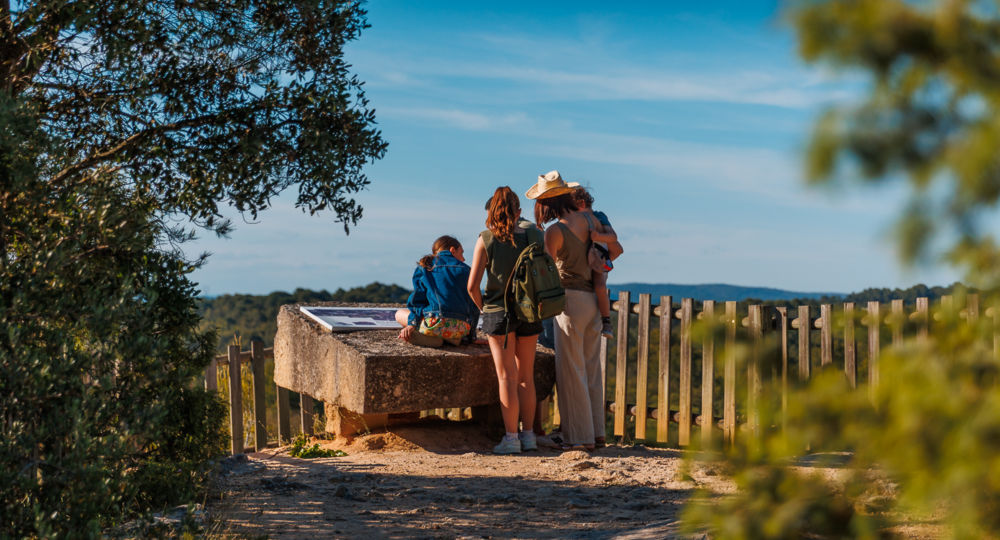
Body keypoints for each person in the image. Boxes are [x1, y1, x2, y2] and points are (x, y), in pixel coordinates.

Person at [528, 170, 605, 451]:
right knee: (592, 368)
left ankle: (578, 437)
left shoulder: (555, 231)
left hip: (569, 300)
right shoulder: (589, 220)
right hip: (593, 299)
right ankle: (597, 432)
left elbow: (547, 271)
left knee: (571, 370)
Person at [467, 186, 542, 454]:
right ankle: (529, 436)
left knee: (506, 377)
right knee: (526, 377)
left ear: (491, 211)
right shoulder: (534, 235)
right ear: (518, 211)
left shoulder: (485, 239)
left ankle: (511, 439)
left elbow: (472, 286)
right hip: (529, 310)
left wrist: (485, 309)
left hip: (499, 313)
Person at [395, 235, 480, 348]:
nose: (463, 259)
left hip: (434, 324)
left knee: (399, 314)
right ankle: (451, 338)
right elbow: (474, 305)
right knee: (451, 325)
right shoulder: (467, 269)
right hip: (460, 329)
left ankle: (433, 337)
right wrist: (471, 337)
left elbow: (417, 301)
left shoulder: (426, 266)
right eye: (462, 253)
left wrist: (412, 324)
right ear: (452, 250)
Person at [571, 187, 624, 339]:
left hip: (599, 254)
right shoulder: (579, 220)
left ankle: (606, 321)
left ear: (581, 204)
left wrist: (597, 236)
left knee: (599, 284)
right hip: (592, 257)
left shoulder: (599, 216)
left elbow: (613, 237)